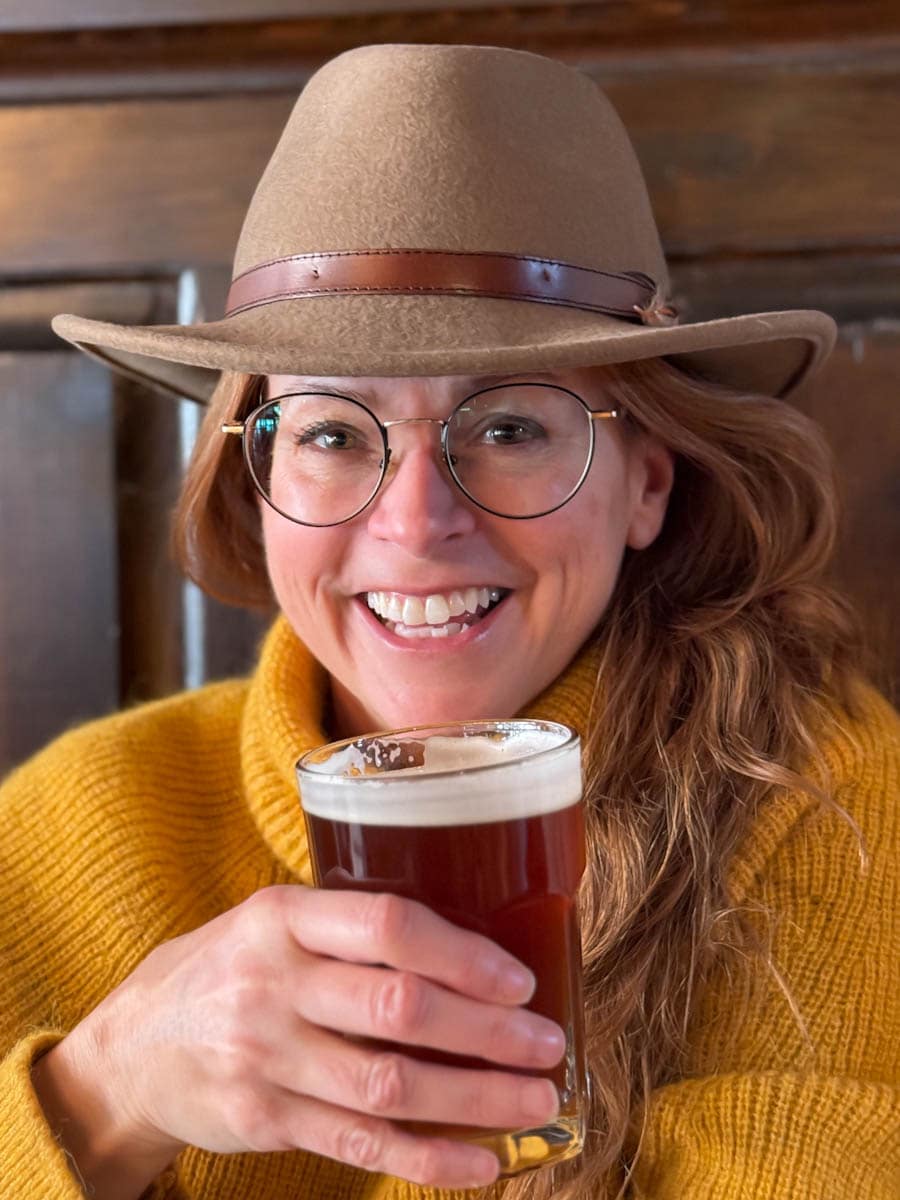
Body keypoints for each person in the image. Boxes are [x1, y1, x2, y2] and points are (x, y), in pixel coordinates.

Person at [1, 42, 897, 1200]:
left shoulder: (825, 803)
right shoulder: (79, 816)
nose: (417, 523)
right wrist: (98, 1095)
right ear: (249, 484)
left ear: (648, 483)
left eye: (511, 428)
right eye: (329, 433)